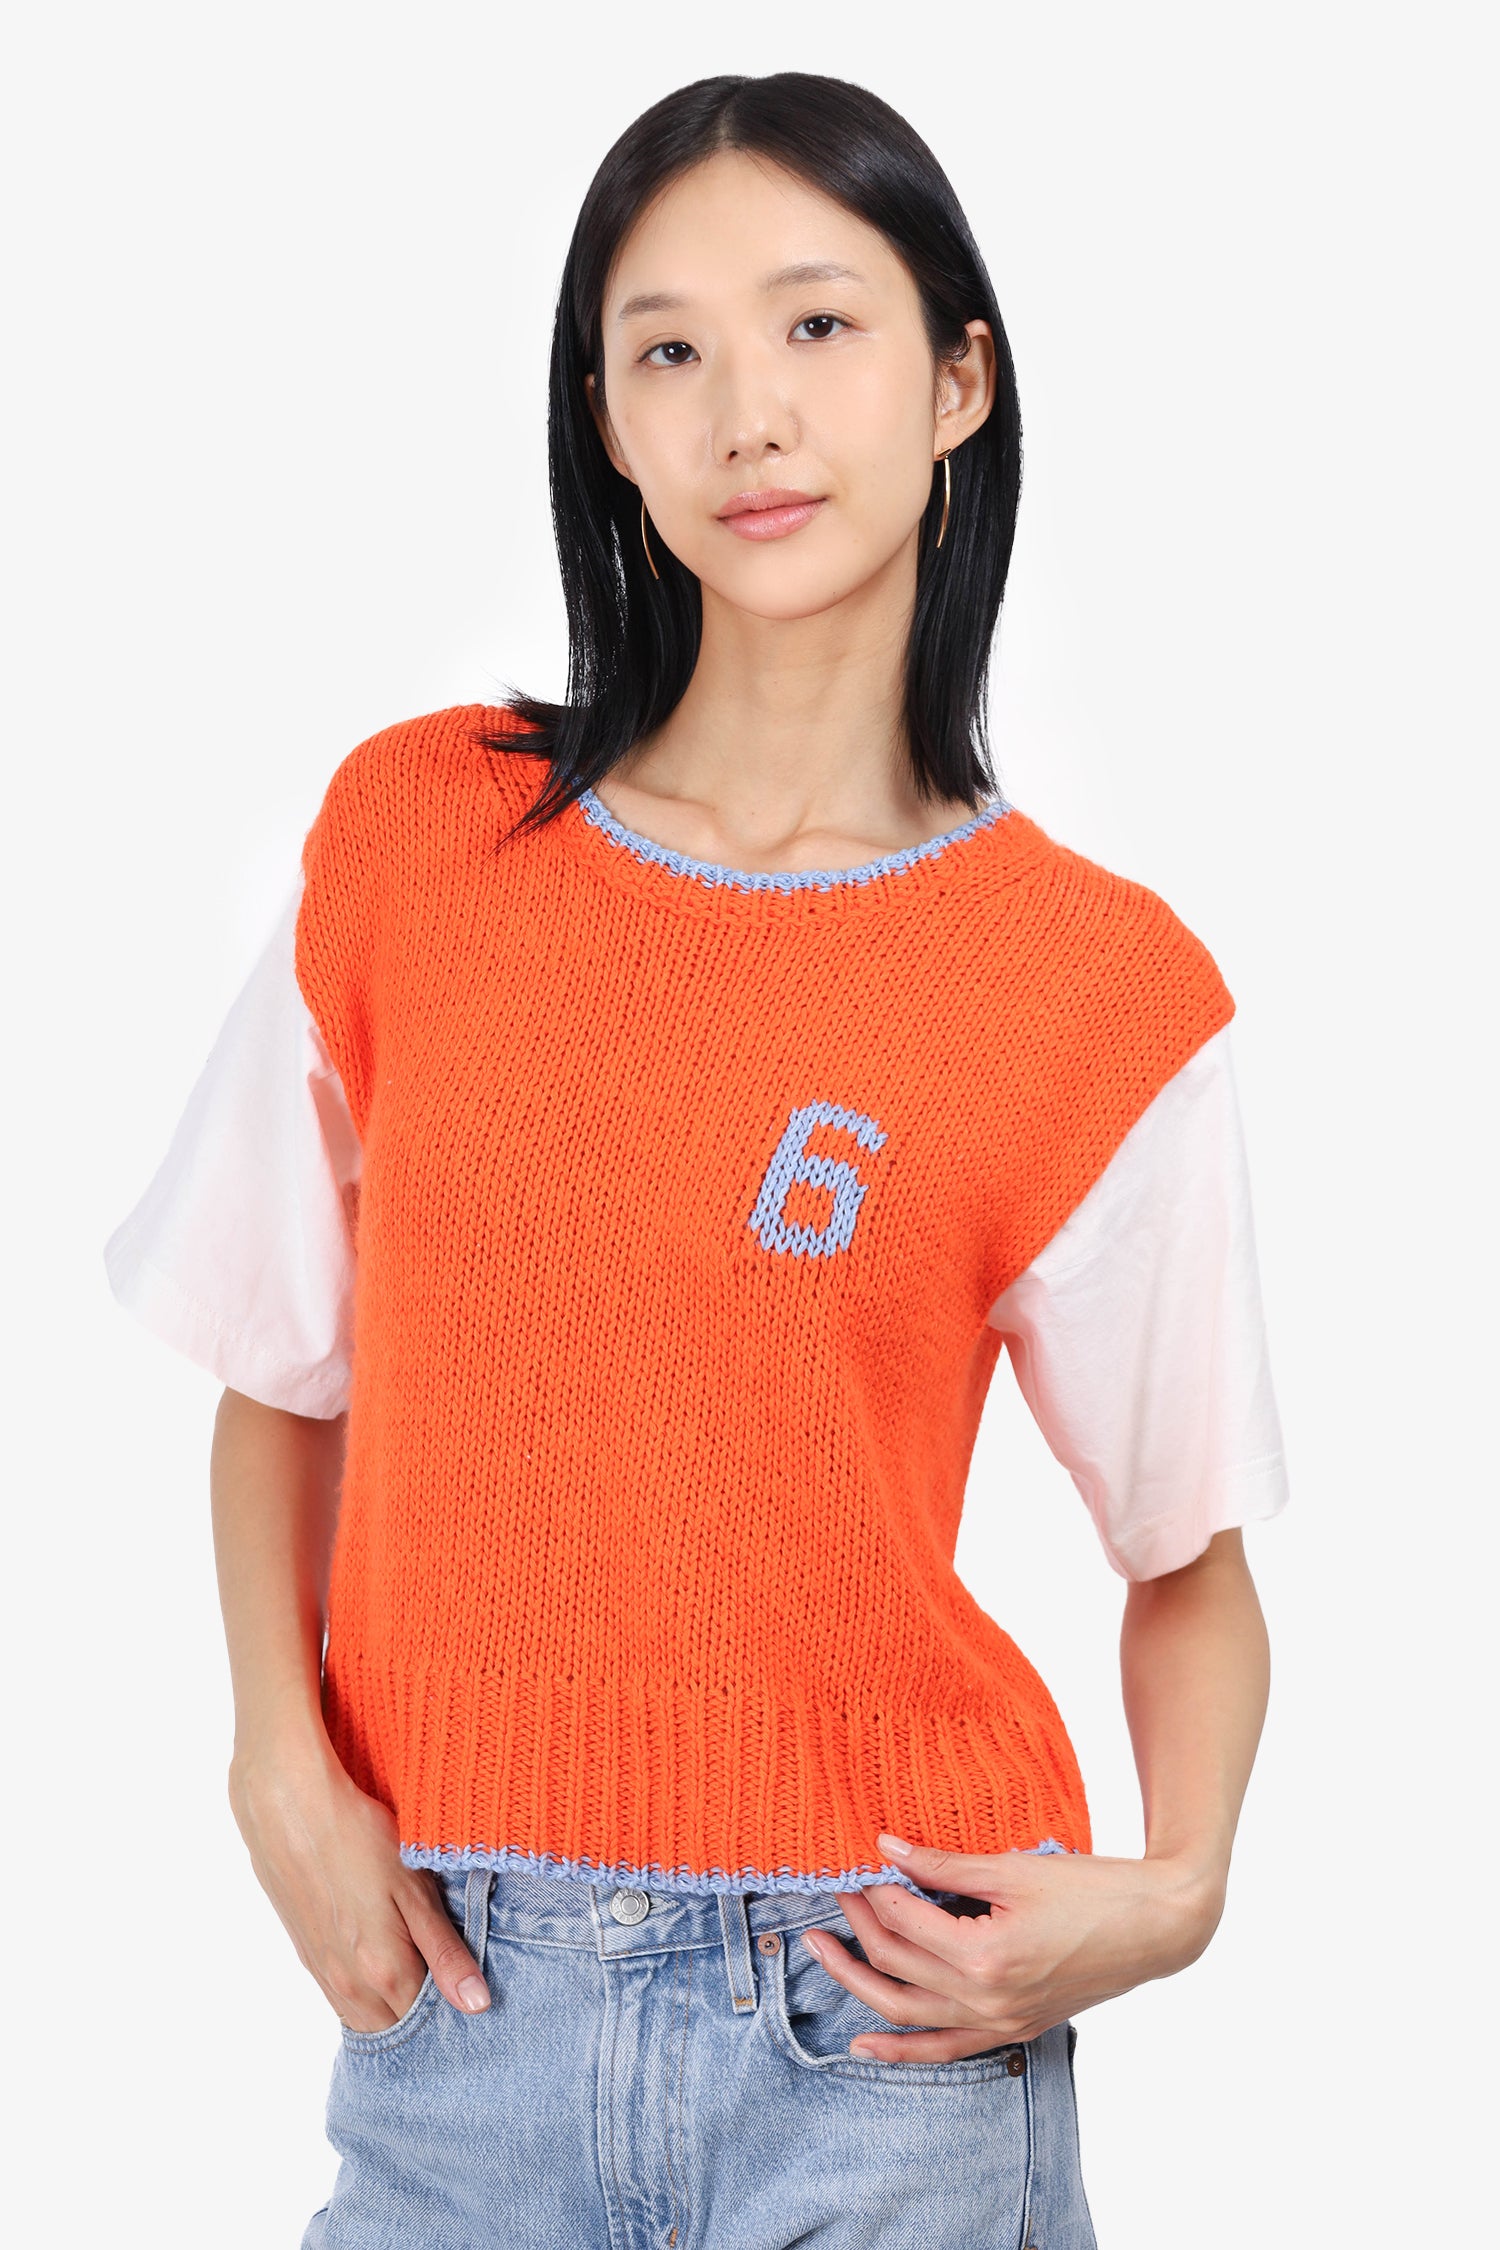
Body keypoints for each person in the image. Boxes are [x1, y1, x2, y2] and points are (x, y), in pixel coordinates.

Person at [103, 70, 1290, 2250]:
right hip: (454, 2028)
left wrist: (1175, 1891)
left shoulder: (1091, 986)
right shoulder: (417, 842)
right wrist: (277, 1761)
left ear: (958, 381)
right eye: (669, 351)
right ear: (610, 425)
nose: (750, 412)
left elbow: (1185, 1546)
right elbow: (281, 1366)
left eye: (819, 325)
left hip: (883, 2030)